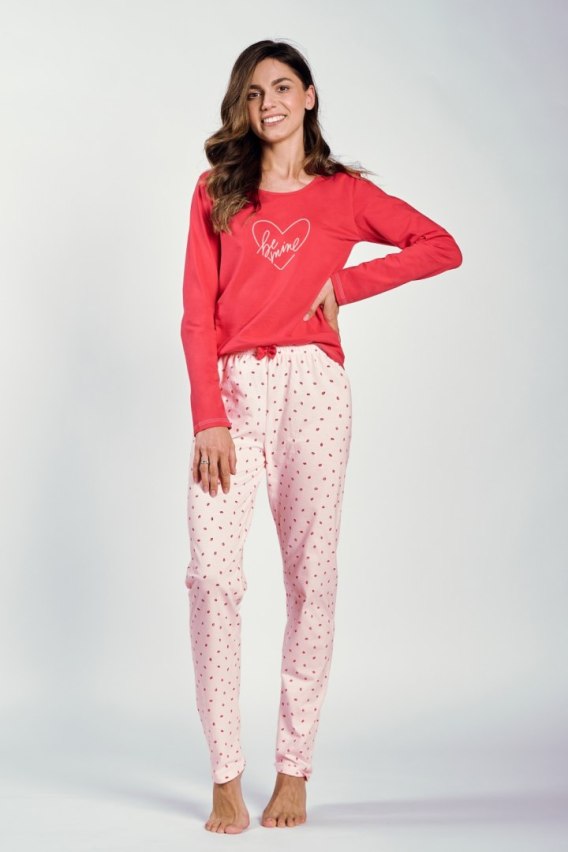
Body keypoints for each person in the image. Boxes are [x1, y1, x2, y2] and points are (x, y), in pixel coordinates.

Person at [180, 38, 462, 834]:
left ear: (307, 96)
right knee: (212, 578)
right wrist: (209, 415)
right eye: (251, 93)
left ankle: (293, 768)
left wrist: (346, 284)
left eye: (280, 87)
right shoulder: (216, 192)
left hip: (314, 388)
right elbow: (196, 314)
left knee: (312, 578)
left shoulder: (344, 194)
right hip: (234, 391)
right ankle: (225, 774)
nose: (265, 102)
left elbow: (441, 245)